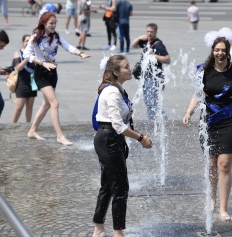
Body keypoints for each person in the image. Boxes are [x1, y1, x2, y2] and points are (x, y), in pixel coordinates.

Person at [182, 28, 232, 221]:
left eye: (223, 50)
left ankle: (223, 209)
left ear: (228, 51)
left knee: (224, 164)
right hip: (207, 121)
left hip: (229, 121)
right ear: (212, 51)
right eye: (217, 50)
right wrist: (189, 112)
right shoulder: (204, 71)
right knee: (211, 164)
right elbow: (197, 95)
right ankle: (212, 199)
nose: (220, 53)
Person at [92, 54, 153, 237]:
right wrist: (141, 138)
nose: (130, 69)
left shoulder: (117, 89)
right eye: (126, 67)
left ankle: (99, 228)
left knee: (108, 185)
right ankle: (118, 232)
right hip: (109, 138)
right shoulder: (112, 92)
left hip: (109, 139)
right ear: (117, 72)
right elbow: (118, 125)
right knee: (120, 186)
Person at [23, 11, 91, 145]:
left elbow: (67, 46)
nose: (54, 26)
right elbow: (26, 54)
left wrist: (80, 53)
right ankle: (60, 136)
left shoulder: (56, 36)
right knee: (54, 103)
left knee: (46, 104)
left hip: (53, 71)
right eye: (51, 23)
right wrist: (42, 63)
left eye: (55, 23)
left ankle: (32, 131)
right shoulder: (36, 36)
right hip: (41, 72)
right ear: (44, 23)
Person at [131, 23, 171, 120]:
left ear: (155, 32)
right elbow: (133, 45)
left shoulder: (158, 45)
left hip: (154, 78)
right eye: (147, 31)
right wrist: (140, 37)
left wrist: (154, 55)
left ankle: (156, 121)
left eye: (151, 32)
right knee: (150, 102)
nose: (149, 34)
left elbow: (168, 59)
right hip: (145, 77)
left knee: (152, 102)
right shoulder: (146, 42)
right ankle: (159, 121)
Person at [11, 34, 37, 123]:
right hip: (21, 82)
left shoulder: (36, 53)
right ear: (23, 42)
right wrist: (27, 57)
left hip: (33, 81)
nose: (28, 43)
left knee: (30, 106)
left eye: (30, 41)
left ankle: (28, 125)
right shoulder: (18, 53)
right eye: (26, 41)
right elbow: (18, 68)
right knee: (19, 106)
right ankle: (13, 125)